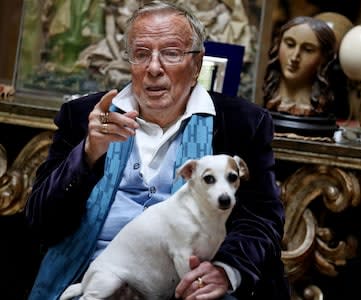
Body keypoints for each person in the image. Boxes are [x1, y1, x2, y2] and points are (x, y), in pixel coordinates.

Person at [25, 1, 289, 299]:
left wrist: (226, 269)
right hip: (98, 280)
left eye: (171, 53)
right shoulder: (85, 116)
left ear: (197, 64)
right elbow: (41, 224)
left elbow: (262, 220)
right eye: (141, 54)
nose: (153, 68)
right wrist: (87, 154)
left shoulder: (241, 124)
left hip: (191, 288)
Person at [263, 16, 336, 117]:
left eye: (308, 50)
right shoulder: (266, 98)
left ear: (324, 58)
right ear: (278, 44)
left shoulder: (318, 109)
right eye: (290, 44)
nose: (294, 57)